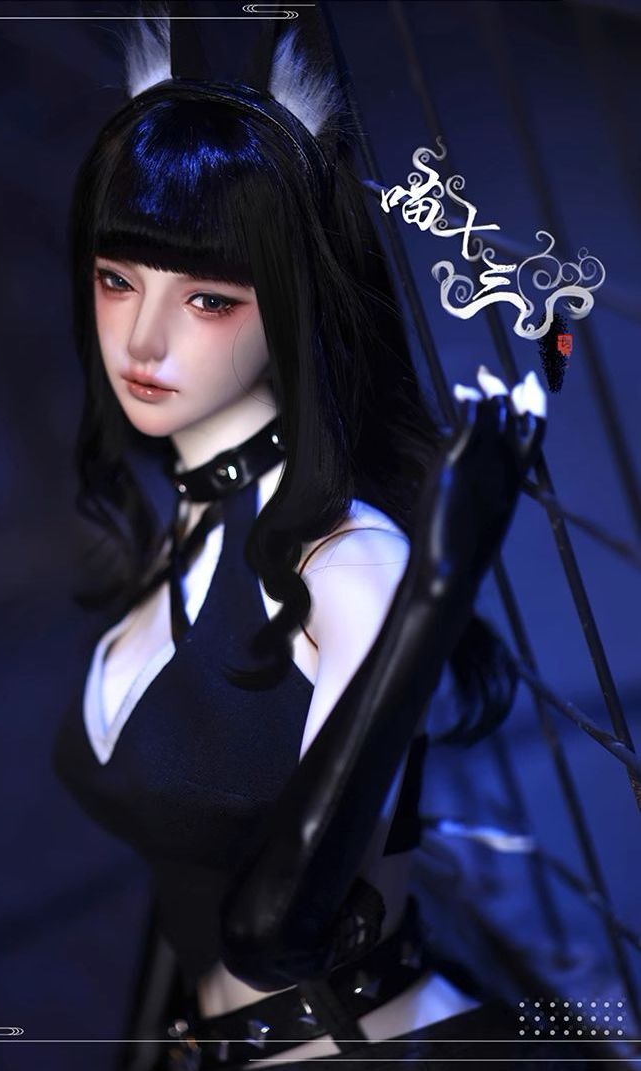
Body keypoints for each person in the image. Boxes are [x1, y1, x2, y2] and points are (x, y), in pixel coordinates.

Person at [50, 11, 567, 1070]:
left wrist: (438, 591)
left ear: (287, 303)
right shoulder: (194, 524)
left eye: (207, 298)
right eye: (117, 280)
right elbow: (184, 896)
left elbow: (278, 933)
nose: (142, 339)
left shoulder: (351, 565)